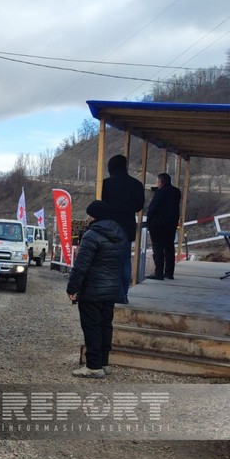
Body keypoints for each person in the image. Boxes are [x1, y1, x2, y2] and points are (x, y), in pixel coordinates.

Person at [67, 200, 127, 378]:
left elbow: (81, 266)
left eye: (88, 214)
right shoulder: (121, 233)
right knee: (105, 326)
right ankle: (103, 362)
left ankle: (93, 366)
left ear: (93, 216)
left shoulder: (92, 235)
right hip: (112, 289)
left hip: (92, 290)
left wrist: (72, 287)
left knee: (92, 327)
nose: (87, 217)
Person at [101, 154, 145, 304]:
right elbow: (139, 206)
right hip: (127, 227)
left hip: (109, 228)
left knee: (109, 262)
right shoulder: (136, 185)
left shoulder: (106, 184)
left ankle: (112, 294)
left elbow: (103, 205)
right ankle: (123, 295)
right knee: (125, 261)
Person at [145, 172, 182, 280]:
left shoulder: (160, 192)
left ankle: (159, 273)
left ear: (161, 182)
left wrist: (149, 220)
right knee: (169, 248)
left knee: (158, 249)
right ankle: (169, 273)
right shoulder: (176, 192)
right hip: (171, 224)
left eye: (157, 182)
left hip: (158, 225)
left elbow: (153, 208)